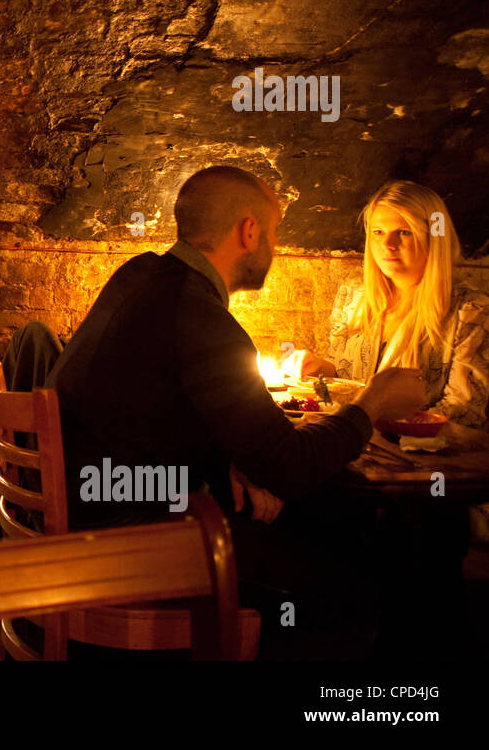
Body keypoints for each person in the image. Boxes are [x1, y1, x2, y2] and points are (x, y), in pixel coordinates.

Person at [45, 165, 425, 658]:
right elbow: (290, 468)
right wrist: (373, 402)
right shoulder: (204, 317)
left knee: (322, 525)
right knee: (350, 585)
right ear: (249, 232)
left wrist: (225, 459)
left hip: (91, 513)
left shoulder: (139, 274)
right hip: (131, 542)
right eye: (274, 233)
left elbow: (145, 410)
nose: (274, 245)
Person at [292, 180, 489, 655]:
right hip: (359, 466)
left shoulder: (470, 310)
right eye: (379, 233)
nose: (388, 246)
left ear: (433, 236)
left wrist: (372, 413)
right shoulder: (357, 297)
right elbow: (356, 384)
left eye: (403, 232)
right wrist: (325, 371)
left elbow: (465, 412)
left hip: (428, 477)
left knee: (419, 541)